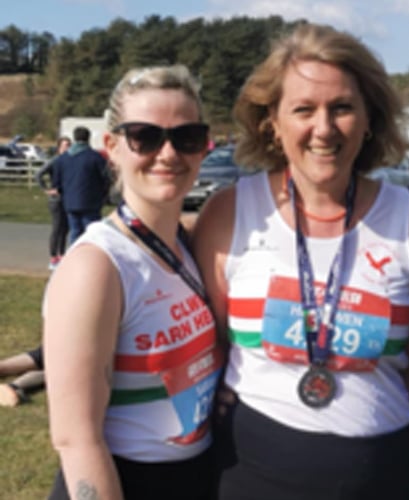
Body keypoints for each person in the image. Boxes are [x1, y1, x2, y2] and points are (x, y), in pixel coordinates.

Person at [192, 23, 409, 499]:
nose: (323, 129)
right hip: (249, 473)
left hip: (380, 476)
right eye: (303, 109)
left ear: (370, 118)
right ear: (273, 121)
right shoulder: (227, 213)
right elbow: (212, 346)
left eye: (343, 108)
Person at [43, 65, 221, 499]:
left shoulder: (190, 242)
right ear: (112, 147)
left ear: (203, 148)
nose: (168, 154)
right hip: (123, 481)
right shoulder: (97, 267)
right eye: (145, 136)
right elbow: (76, 439)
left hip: (193, 474)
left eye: (186, 137)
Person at [52, 125, 111, 244]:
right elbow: (107, 177)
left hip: (70, 201)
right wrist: (103, 193)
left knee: (75, 232)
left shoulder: (62, 159)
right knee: (92, 233)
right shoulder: (95, 157)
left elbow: (56, 182)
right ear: (88, 138)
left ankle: (74, 257)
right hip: (91, 201)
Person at [35, 136, 72, 270]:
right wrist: (46, 189)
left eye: (69, 145)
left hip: (67, 198)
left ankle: (62, 254)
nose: (67, 148)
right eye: (65, 145)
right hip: (56, 199)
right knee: (57, 227)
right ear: (59, 147)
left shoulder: (70, 161)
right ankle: (53, 257)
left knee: (65, 228)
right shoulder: (55, 161)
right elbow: (38, 174)